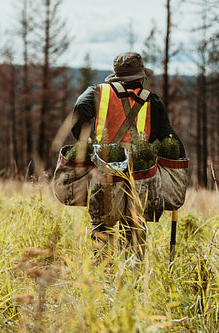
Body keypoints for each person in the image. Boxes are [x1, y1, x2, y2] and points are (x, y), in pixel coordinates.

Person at [71, 51, 185, 259]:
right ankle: (135, 281)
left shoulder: (98, 92)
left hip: (106, 174)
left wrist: (84, 140)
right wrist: (178, 167)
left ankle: (102, 281)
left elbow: (79, 108)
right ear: (141, 77)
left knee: (102, 229)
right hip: (140, 178)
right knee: (135, 230)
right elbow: (171, 138)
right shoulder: (153, 102)